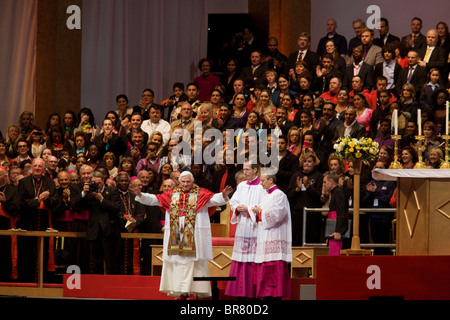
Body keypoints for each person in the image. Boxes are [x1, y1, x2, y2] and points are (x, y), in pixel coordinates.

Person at [135, 170, 232, 299]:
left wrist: (223, 195)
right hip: (176, 235)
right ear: (178, 182)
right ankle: (181, 292)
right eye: (183, 181)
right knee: (178, 263)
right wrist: (140, 195)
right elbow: (154, 200)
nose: (185, 184)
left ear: (193, 182)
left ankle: (194, 292)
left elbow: (213, 200)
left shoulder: (201, 193)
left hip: (194, 236)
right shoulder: (171, 194)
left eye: (188, 181)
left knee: (194, 263)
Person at [225, 161, 264, 299]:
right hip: (242, 227)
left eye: (247, 170)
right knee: (241, 259)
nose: (244, 172)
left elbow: (263, 206)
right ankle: (240, 292)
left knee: (254, 260)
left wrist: (247, 209)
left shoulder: (262, 186)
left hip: (255, 228)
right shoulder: (241, 185)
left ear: (255, 170)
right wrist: (237, 208)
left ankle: (254, 293)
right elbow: (233, 201)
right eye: (243, 169)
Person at [251, 172, 292, 299]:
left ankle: (274, 295)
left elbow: (278, 215)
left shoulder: (279, 195)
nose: (261, 183)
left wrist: (260, 211)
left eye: (263, 180)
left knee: (273, 269)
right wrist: (258, 212)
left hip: (275, 235)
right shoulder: (265, 195)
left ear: (270, 180)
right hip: (264, 235)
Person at [17, 158, 57, 282]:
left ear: (44, 169)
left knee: (44, 255)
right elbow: (21, 203)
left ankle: (43, 283)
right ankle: (26, 283)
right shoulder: (24, 182)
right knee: (27, 254)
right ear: (31, 167)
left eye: (40, 166)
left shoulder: (50, 182)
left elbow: (54, 202)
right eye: (35, 166)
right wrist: (38, 200)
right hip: (27, 223)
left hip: (44, 224)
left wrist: (46, 199)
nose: (37, 168)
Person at [79, 170, 122, 274]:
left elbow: (116, 208)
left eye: (99, 183)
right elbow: (77, 207)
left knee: (111, 262)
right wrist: (84, 193)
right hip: (94, 232)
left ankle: (110, 286)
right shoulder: (88, 193)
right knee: (95, 262)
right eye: (94, 183)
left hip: (109, 232)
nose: (97, 185)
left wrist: (102, 199)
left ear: (103, 181)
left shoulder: (112, 191)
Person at [287, 152, 323, 246]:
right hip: (298, 212)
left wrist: (308, 186)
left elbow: (319, 195)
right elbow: (289, 194)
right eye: (305, 161)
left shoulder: (318, 176)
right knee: (297, 238)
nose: (306, 163)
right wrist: (297, 189)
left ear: (314, 163)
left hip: (313, 212)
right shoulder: (296, 176)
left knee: (312, 238)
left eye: (309, 161)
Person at [361, 160, 396, 255]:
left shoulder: (390, 183)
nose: (378, 169)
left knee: (384, 243)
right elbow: (365, 201)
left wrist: (376, 191)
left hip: (384, 218)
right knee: (376, 243)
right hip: (373, 217)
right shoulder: (372, 182)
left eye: (381, 167)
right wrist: (370, 192)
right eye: (377, 167)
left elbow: (387, 200)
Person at [0, 167, 20, 281]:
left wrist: (5, 202)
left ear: (4, 177)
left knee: (5, 257)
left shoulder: (12, 191)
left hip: (6, 230)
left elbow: (15, 209)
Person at [323, 171, 349, 256]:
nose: (323, 185)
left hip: (337, 231)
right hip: (333, 229)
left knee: (336, 255)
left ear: (331, 182)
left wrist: (339, 231)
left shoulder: (339, 192)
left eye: (325, 182)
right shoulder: (335, 192)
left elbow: (341, 212)